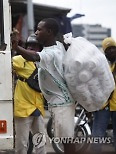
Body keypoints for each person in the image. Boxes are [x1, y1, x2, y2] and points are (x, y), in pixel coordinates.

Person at [11, 18, 76, 154]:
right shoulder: (56, 45)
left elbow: (33, 57)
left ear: (49, 32)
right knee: (64, 140)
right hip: (55, 104)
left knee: (67, 140)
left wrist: (16, 47)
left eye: (39, 29)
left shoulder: (52, 53)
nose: (36, 32)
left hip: (61, 104)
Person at [12, 33, 46, 154]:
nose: (31, 48)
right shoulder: (19, 59)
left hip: (38, 107)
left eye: (35, 46)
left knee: (41, 141)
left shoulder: (43, 62)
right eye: (29, 45)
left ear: (40, 49)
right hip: (23, 107)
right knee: (22, 143)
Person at [90, 37, 116, 153]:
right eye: (108, 49)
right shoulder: (102, 65)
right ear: (104, 52)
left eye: (113, 48)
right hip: (103, 105)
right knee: (97, 134)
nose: (111, 51)